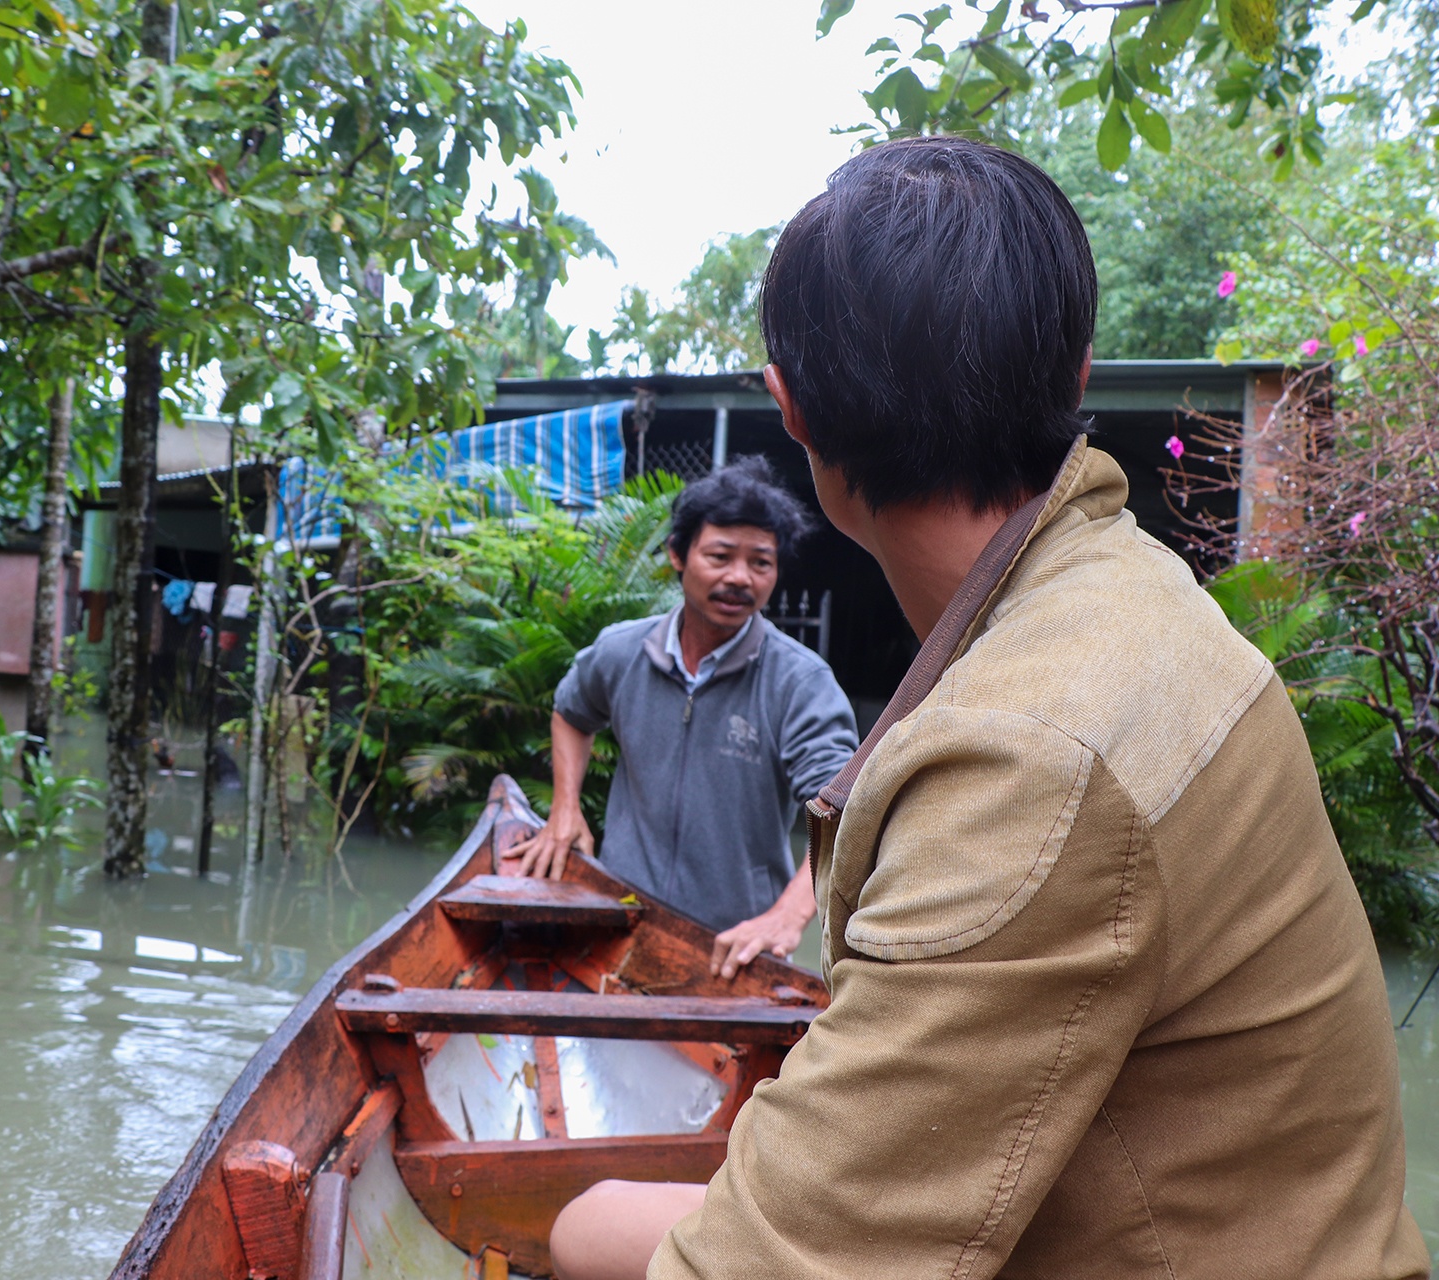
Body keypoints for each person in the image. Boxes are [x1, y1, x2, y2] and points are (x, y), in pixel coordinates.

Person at [548, 136, 1427, 1280]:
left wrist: (576, 1220)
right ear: (1077, 379)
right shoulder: (1134, 598)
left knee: (583, 1222)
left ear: (792, 410)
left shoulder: (1024, 751)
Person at [506, 457, 859, 977]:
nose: (740, 578)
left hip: (732, 949)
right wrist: (565, 809)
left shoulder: (799, 683)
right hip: (617, 922)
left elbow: (843, 813)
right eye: (720, 556)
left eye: (761, 562)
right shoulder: (622, 651)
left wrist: (787, 915)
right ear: (677, 554)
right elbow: (571, 712)